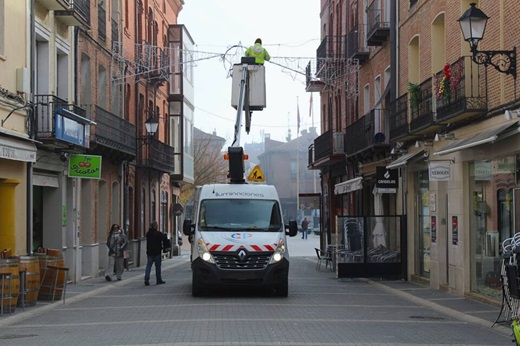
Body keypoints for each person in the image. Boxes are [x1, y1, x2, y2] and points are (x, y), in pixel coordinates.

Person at [144, 221, 166, 286]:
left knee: (148, 266)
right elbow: (164, 239)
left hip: (149, 252)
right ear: (155, 226)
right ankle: (158, 280)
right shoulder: (158, 233)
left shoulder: (148, 233)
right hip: (157, 252)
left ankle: (146, 279)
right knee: (158, 267)